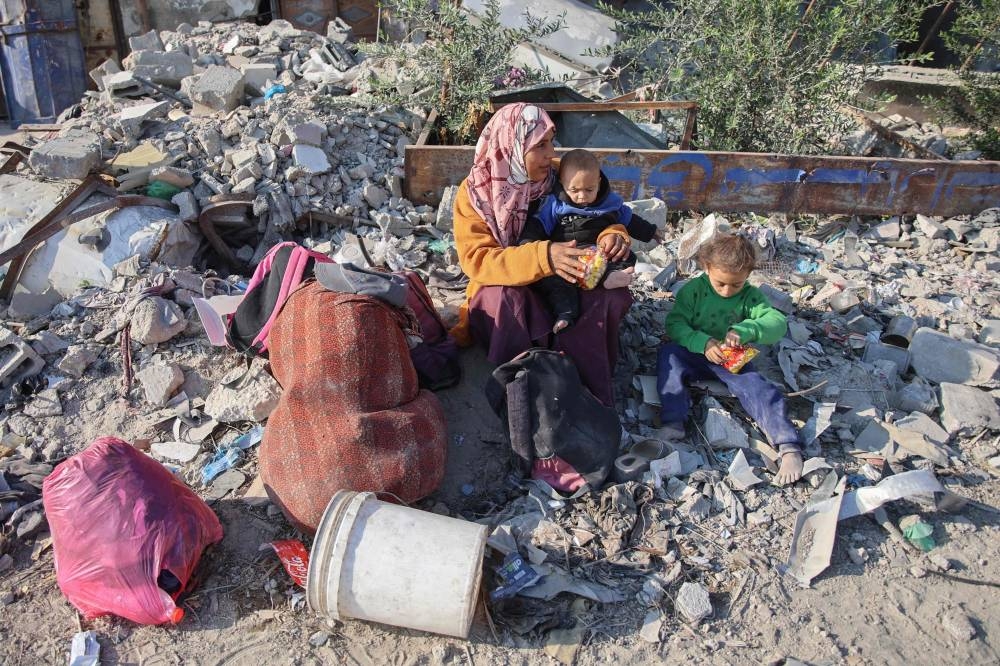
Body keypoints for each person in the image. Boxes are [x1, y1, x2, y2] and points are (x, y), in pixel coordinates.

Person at [451, 103, 633, 407]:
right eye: (541, 145)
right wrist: (544, 257)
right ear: (512, 144)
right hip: (514, 282)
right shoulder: (475, 194)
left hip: (567, 278)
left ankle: (584, 395)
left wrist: (612, 235)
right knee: (500, 300)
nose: (551, 153)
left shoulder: (562, 176)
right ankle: (524, 391)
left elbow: (602, 212)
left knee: (609, 296)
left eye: (552, 141)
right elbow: (478, 261)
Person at [656, 232, 804, 484]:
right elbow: (676, 324)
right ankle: (673, 422)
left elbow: (776, 323)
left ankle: (788, 445)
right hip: (693, 353)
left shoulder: (750, 296)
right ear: (707, 268)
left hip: (731, 357)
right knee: (668, 357)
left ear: (747, 275)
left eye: (735, 285)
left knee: (759, 388)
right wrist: (701, 342)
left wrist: (746, 329)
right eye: (720, 284)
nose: (727, 291)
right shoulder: (693, 292)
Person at [518, 148, 658, 333]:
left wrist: (651, 232)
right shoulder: (555, 205)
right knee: (555, 284)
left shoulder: (610, 203)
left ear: (599, 183)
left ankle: (609, 276)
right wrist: (526, 242)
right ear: (562, 182)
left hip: (598, 254)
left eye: (589, 189)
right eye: (574, 190)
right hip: (568, 257)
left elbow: (630, 219)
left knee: (626, 256)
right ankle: (565, 314)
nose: (582, 196)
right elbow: (538, 225)